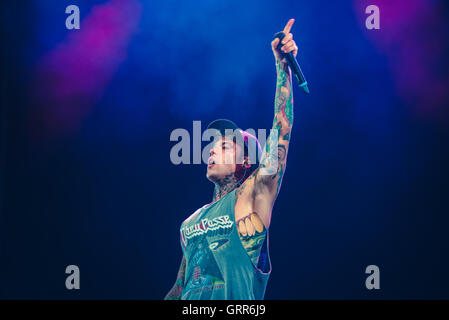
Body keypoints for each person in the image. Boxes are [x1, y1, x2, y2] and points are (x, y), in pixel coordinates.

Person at [164, 18, 298, 300]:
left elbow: (281, 129)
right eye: (212, 146)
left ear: (246, 161)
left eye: (225, 146)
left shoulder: (253, 196)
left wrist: (282, 66)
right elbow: (180, 288)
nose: (211, 150)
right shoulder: (189, 223)